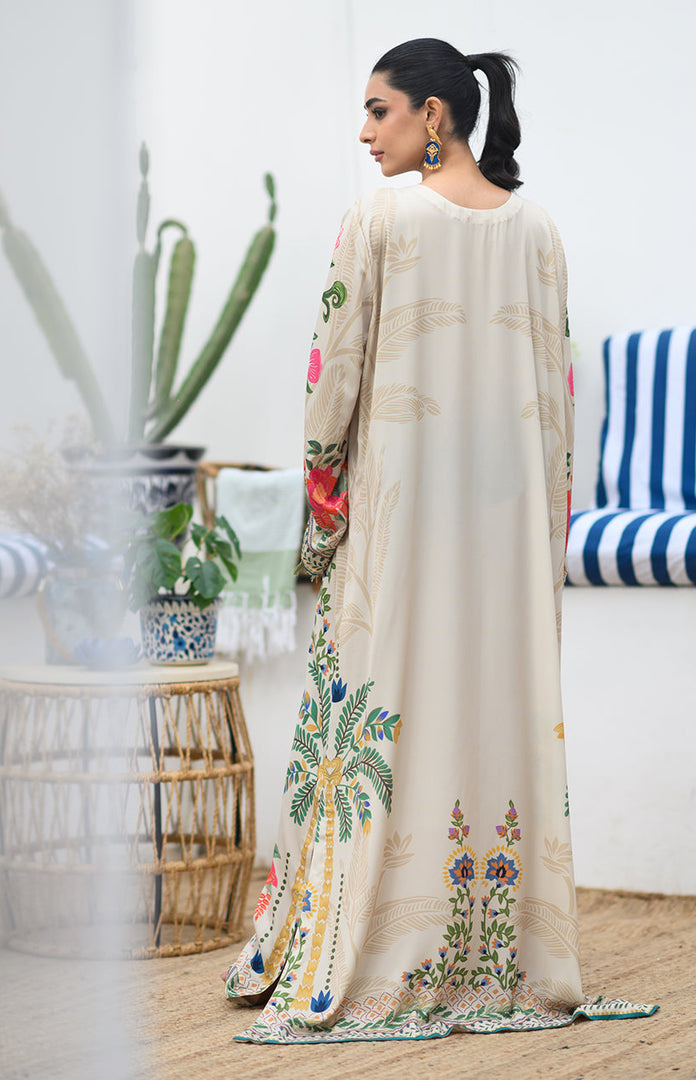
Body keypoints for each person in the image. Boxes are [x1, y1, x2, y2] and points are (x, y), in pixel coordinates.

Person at [224, 37, 656, 1043]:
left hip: (399, 517)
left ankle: (367, 942)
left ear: (435, 116)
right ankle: (499, 954)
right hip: (506, 526)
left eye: (379, 110)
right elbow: (558, 394)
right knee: (492, 706)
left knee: (383, 709)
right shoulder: (539, 230)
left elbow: (334, 367)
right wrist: (544, 527)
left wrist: (323, 490)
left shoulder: (380, 217)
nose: (364, 132)